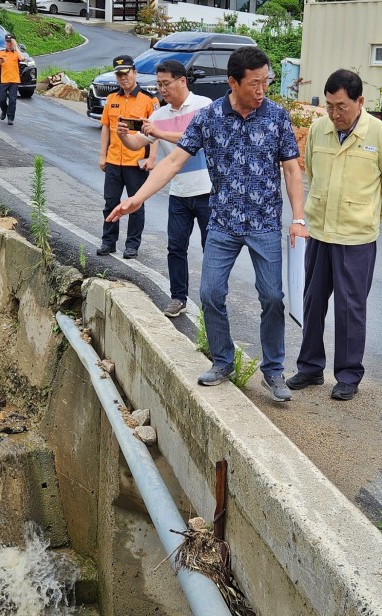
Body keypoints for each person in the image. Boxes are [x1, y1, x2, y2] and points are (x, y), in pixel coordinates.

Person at [106, 46, 305, 403]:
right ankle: (222, 360)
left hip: (264, 224)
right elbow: (174, 161)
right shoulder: (209, 117)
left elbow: (291, 168)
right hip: (223, 222)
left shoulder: (277, 116)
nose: (262, 90)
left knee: (273, 297)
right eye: (255, 83)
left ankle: (274, 370)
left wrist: (298, 218)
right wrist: (139, 198)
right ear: (233, 82)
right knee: (210, 293)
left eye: (266, 82)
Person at [285, 69, 382, 402]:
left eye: (342, 106)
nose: (335, 114)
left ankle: (348, 374)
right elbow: (310, 171)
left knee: (351, 308)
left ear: (360, 101)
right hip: (320, 231)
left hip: (357, 237)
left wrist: (367, 219)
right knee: (313, 301)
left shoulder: (379, 135)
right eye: (330, 106)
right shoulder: (319, 129)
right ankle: (309, 367)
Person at [116, 60, 212, 318]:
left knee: (211, 248)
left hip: (208, 191)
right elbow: (138, 143)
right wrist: (124, 134)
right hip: (179, 191)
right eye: (158, 84)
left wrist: (158, 132)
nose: (162, 89)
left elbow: (196, 138)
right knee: (175, 247)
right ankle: (178, 297)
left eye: (166, 84)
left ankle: (213, 299)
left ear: (182, 81)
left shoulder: (204, 107)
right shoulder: (159, 114)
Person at [98, 54, 157, 260]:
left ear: (135, 73)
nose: (123, 78)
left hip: (136, 163)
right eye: (119, 75)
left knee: (135, 204)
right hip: (114, 160)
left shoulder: (149, 100)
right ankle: (108, 241)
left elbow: (155, 132)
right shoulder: (112, 99)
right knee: (110, 202)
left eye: (126, 73)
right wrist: (102, 155)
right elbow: (106, 127)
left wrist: (152, 159)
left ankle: (132, 245)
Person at [0, 34, 27, 126]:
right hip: (4, 80)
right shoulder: (1, 53)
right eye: (7, 41)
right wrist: (0, 62)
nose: (9, 44)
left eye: (10, 42)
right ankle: (4, 110)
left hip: (14, 80)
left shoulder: (17, 53)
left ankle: (10, 117)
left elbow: (22, 58)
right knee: (2, 99)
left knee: (12, 100)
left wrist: (16, 46)